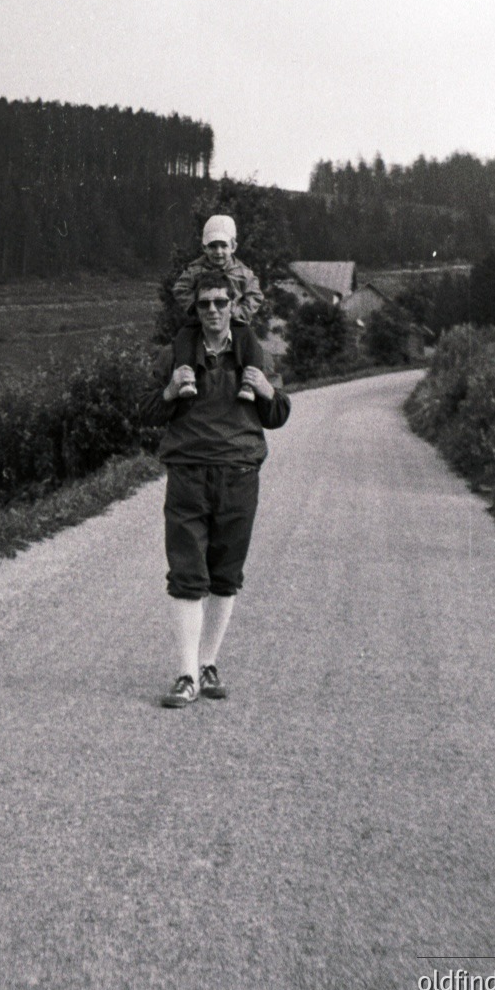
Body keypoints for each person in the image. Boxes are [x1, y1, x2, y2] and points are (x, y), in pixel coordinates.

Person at [142, 267, 291, 708]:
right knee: (187, 574)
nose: (212, 310)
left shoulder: (253, 352)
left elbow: (278, 414)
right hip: (188, 473)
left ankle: (208, 664)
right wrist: (169, 392)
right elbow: (146, 410)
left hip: (239, 474)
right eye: (204, 303)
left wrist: (265, 390)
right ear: (196, 308)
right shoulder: (177, 354)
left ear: (233, 307)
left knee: (226, 575)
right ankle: (186, 675)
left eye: (220, 303)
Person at [171, 214, 264, 401]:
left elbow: (255, 295)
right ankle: (187, 380)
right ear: (204, 247)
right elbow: (180, 288)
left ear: (233, 247)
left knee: (251, 342)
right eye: (212, 247)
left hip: (234, 321)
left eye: (224, 246)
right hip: (203, 320)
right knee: (184, 338)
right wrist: (196, 308)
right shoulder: (195, 270)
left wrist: (240, 312)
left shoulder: (243, 273)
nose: (218, 252)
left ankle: (249, 383)